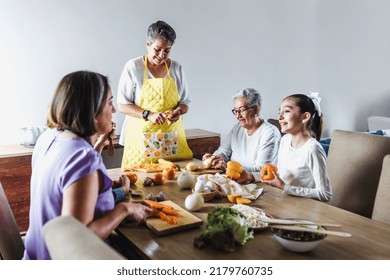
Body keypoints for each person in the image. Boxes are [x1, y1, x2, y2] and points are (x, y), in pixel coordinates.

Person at [23, 71, 153, 260]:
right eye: (109, 103)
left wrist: (102, 188)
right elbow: (77, 240)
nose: (114, 110)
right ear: (92, 112)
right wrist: (124, 209)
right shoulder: (84, 158)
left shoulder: (47, 138)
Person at [117, 20, 193, 168]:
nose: (161, 55)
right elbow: (122, 105)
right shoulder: (134, 67)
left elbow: (185, 102)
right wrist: (148, 115)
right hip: (140, 139)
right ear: (147, 44)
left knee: (173, 180)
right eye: (157, 49)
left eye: (167, 50)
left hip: (170, 139)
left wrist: (178, 111)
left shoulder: (176, 68)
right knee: (139, 183)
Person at [262, 92, 332, 202]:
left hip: (303, 209)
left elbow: (325, 194)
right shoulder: (285, 140)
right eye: (279, 111)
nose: (279, 117)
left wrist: (284, 187)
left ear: (305, 117)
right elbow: (281, 175)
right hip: (283, 201)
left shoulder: (313, 148)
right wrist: (252, 176)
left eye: (287, 111)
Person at [203, 88, 281, 184]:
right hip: (233, 179)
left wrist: (227, 166)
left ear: (256, 109)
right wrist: (214, 159)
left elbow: (263, 170)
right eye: (235, 111)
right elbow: (223, 152)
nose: (237, 116)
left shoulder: (269, 133)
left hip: (257, 185)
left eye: (242, 110)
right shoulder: (238, 128)